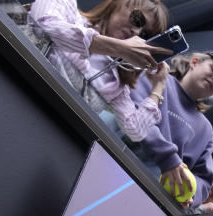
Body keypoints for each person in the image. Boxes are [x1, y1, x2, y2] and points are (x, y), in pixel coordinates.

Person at [25, 0, 171, 141]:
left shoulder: (116, 81)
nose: (136, 31)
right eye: (138, 20)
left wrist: (159, 86)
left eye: (145, 35)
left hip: (44, 132)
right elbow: (44, 25)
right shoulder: (68, 9)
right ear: (118, 4)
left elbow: (135, 130)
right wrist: (118, 47)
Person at [130, 51, 213, 206]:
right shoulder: (157, 77)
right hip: (116, 163)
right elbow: (134, 114)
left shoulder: (206, 130)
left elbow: (204, 180)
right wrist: (170, 159)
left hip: (156, 201)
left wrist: (190, 195)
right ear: (194, 62)